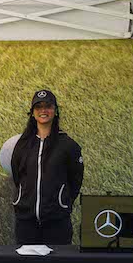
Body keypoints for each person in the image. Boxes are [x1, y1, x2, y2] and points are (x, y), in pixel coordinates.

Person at [11, 89, 83, 245]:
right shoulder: (22, 144)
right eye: (38, 107)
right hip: (26, 222)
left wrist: (61, 201)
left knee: (57, 261)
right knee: (27, 261)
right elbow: (17, 175)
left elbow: (75, 180)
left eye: (48, 106)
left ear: (55, 111)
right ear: (32, 113)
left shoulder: (68, 145)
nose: (43, 111)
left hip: (57, 222)